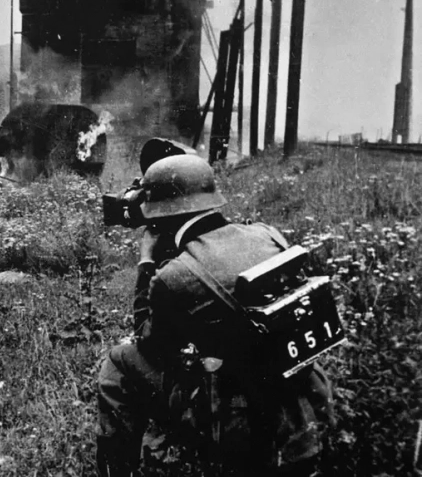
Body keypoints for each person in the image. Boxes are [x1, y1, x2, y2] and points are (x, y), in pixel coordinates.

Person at [97, 154, 334, 477]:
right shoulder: (266, 234)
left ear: (163, 215)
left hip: (232, 418)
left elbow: (149, 341)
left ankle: (116, 469)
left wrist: (147, 261)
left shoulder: (175, 276)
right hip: (303, 396)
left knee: (119, 361)